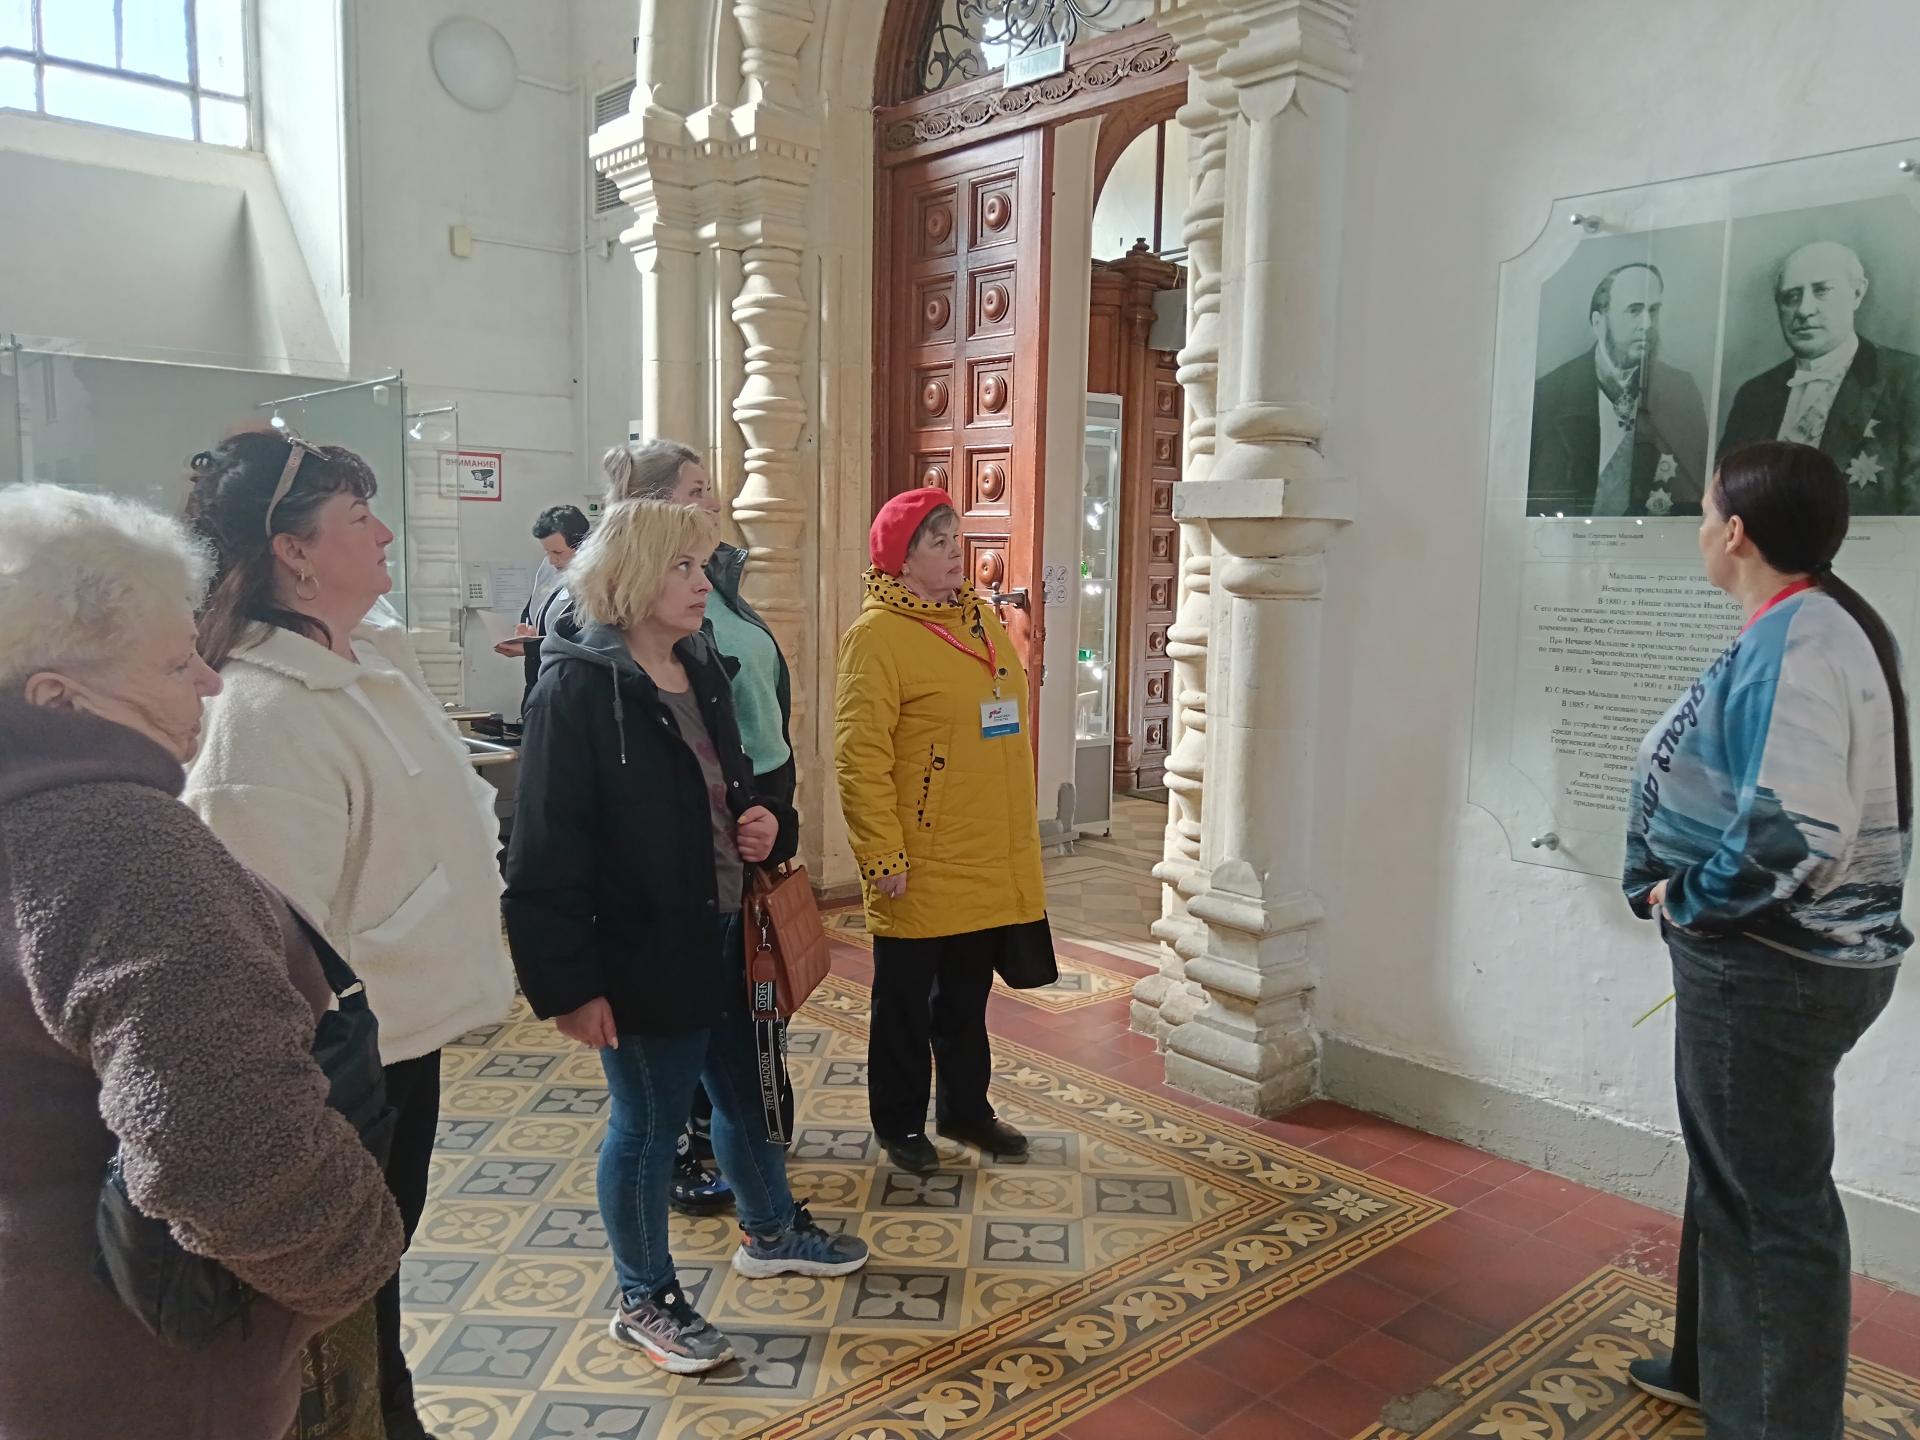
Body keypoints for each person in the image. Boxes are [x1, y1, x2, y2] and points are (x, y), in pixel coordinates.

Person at [0, 484, 403, 1440]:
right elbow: (218, 1136)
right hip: (139, 1372)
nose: (210, 684)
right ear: (58, 698)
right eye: (177, 662)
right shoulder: (116, 842)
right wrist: (357, 1258)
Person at [179, 430, 515, 1440]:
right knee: (333, 1297)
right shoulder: (259, 712)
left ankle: (390, 1412)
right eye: (359, 519)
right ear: (294, 551)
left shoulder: (368, 660)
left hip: (400, 1033)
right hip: (333, 1066)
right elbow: (265, 947)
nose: (385, 536)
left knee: (381, 1261)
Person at [503, 497, 868, 1375]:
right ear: (631, 576)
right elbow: (543, 852)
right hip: (642, 949)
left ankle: (771, 1230)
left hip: (729, 929)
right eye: (683, 567)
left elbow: (736, 780)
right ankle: (644, 1298)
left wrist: (764, 821)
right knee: (648, 1126)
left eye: (702, 565)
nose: (704, 583)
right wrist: (569, 986)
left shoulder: (697, 661)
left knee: (751, 1096)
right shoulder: (576, 690)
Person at [1622, 440, 1908, 1433]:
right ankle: (1709, 1368)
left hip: (1769, 968)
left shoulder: (1802, 643)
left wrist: (1687, 898)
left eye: (1706, 513)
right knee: (1733, 1179)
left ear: (1736, 532)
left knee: (1771, 1211)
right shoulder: (1821, 619)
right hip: (1779, 960)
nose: (1701, 529)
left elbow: (1798, 833)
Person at [600, 438, 797, 1217]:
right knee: (660, 1086)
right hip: (672, 880)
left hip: (746, 814)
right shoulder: (608, 659)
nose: (713, 501)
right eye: (695, 489)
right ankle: (687, 1164)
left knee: (749, 1023)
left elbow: (754, 708)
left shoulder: (721, 593)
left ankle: (766, 1205)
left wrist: (772, 813)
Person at [833, 487, 1052, 1174]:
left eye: (957, 539)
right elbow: (859, 756)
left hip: (984, 846)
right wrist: (882, 854)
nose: (956, 553)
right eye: (938, 543)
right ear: (901, 560)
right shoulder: (876, 637)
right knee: (904, 1002)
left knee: (965, 997)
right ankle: (899, 1122)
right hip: (920, 857)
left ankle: (966, 1110)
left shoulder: (978, 619)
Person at [1719, 241, 1920, 513]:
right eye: (1791, 296)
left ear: (1857, 293)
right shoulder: (1754, 395)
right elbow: (1723, 505)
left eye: (1822, 290)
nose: (1804, 310)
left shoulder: (1908, 380)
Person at [1528, 261, 1710, 517]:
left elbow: (1696, 493)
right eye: (1634, 310)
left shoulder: (1681, 390)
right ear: (1598, 322)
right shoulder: (1549, 394)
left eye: (1654, 310)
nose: (1648, 324)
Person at [494, 503, 590, 705]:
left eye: (558, 552)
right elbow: (535, 608)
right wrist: (525, 630)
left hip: (570, 691)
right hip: (538, 683)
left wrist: (530, 648)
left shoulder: (595, 583)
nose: (552, 561)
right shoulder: (550, 570)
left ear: (581, 545)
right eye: (547, 552)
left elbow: (582, 642)